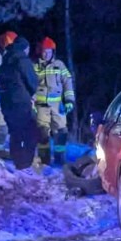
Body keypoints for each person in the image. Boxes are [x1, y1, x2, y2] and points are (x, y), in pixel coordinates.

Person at [32, 37, 75, 165]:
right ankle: (44, 160)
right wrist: (31, 102)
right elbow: (30, 85)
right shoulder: (35, 66)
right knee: (42, 133)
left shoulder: (59, 65)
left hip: (57, 106)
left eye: (48, 51)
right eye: (44, 51)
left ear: (53, 52)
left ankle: (59, 158)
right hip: (41, 106)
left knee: (62, 132)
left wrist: (69, 100)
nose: (45, 54)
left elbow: (67, 82)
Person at [0, 35, 39, 170]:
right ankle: (26, 163)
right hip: (20, 102)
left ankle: (17, 161)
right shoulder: (23, 59)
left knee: (15, 133)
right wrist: (33, 93)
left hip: (6, 103)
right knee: (30, 131)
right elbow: (32, 81)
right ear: (25, 48)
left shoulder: (5, 60)